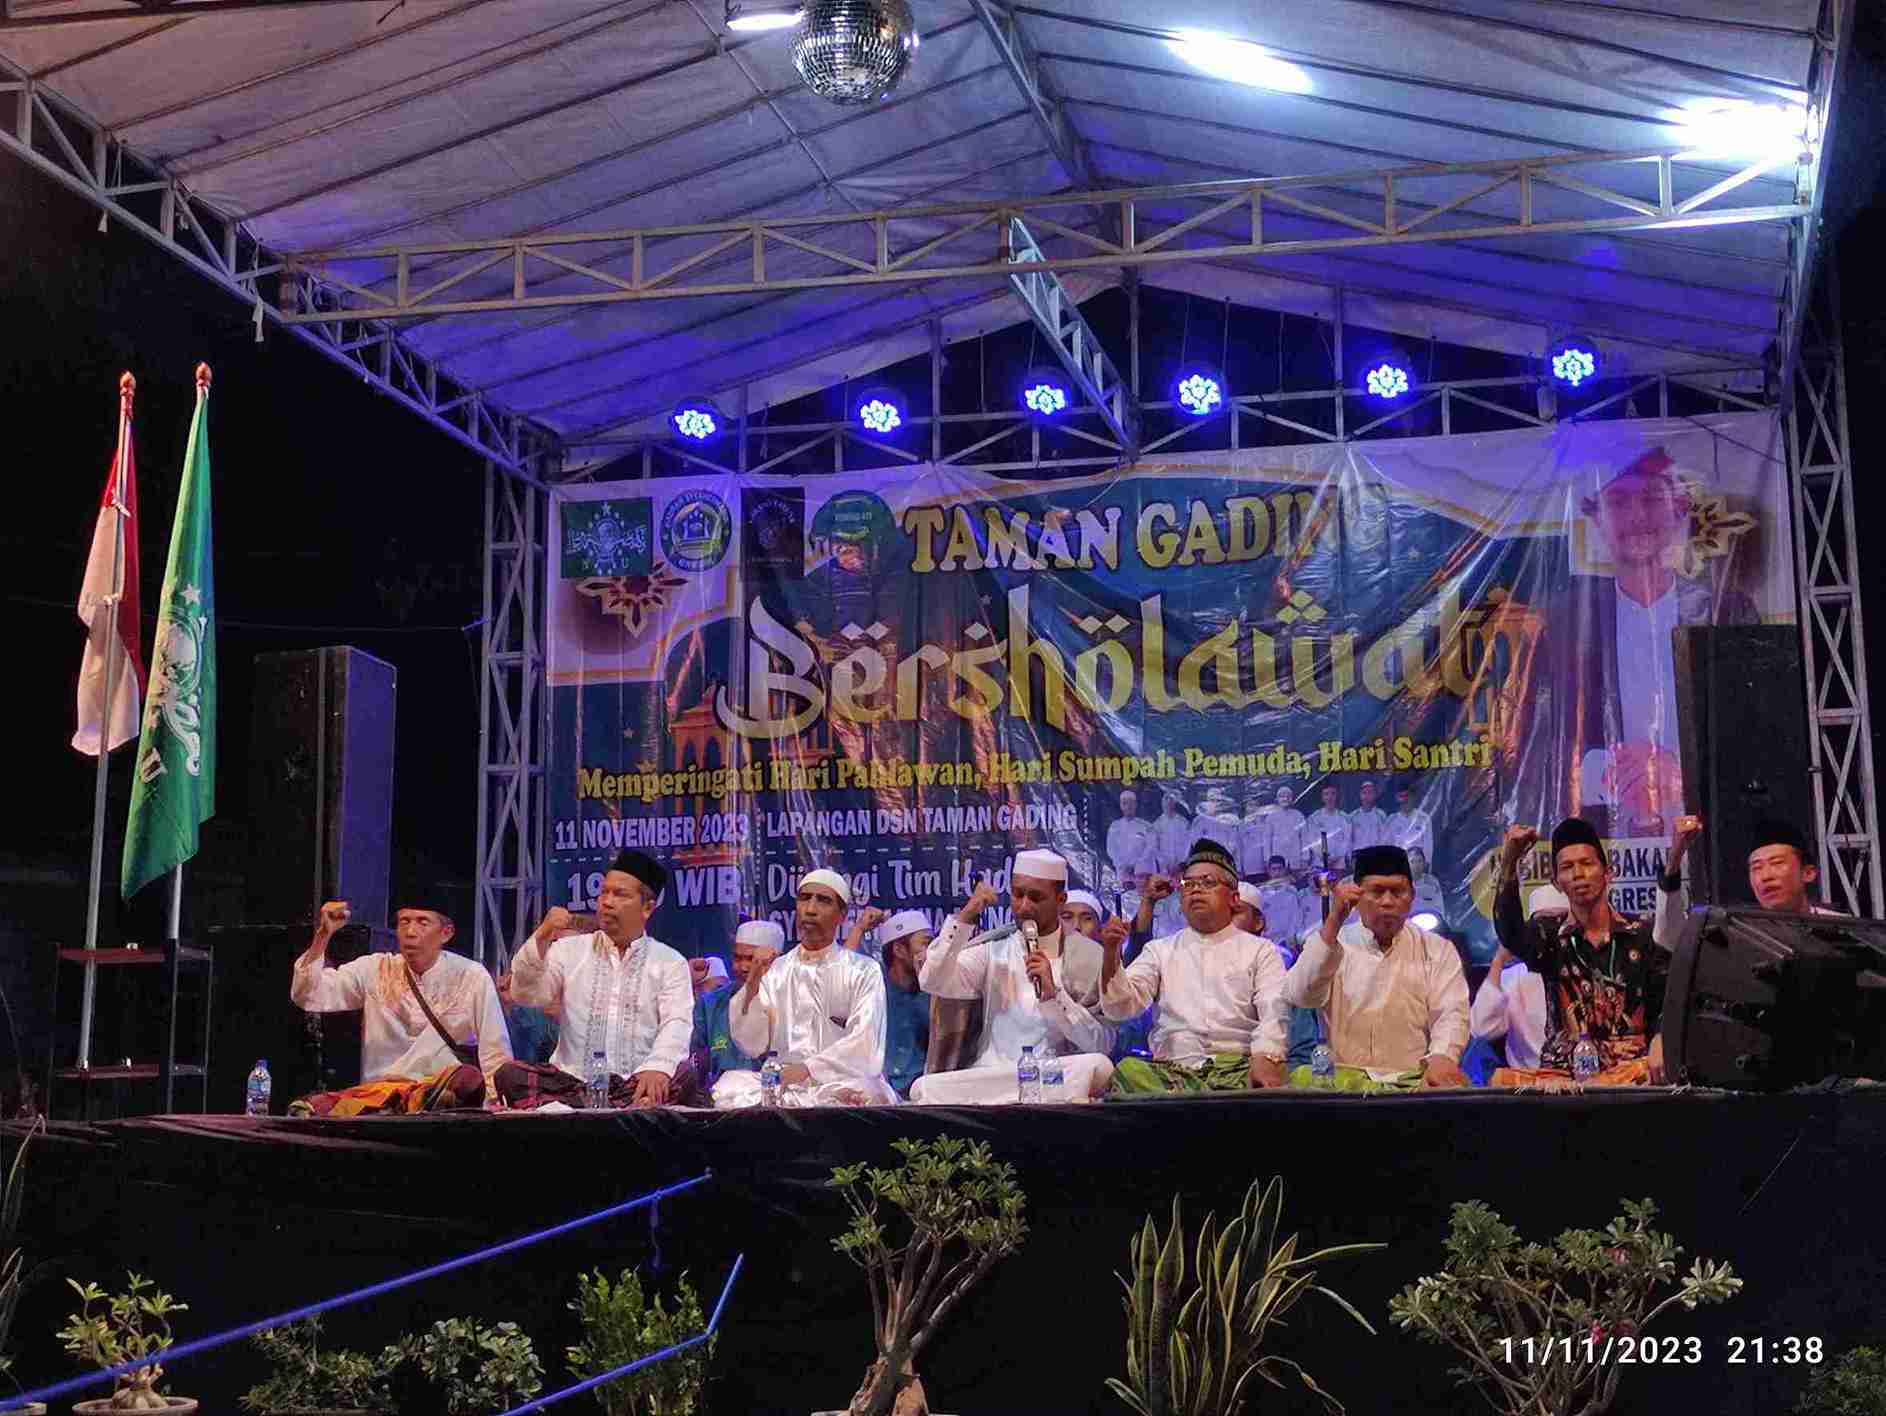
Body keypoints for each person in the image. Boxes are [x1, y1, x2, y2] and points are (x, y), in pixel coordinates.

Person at [1543, 448, 1757, 834]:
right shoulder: (1567, 623)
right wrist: (1620, 771)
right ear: (1596, 518)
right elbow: (1539, 744)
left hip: (1714, 829)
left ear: (1679, 511)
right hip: (1603, 842)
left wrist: (1681, 767)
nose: (1638, 517)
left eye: (1653, 500)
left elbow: (1756, 731)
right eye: (1619, 502)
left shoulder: (1725, 610)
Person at [911, 850, 1115, 1104]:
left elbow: (1101, 1044)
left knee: (1100, 1065)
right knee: (924, 1088)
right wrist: (966, 917)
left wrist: (1056, 997)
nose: (1024, 906)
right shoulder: (993, 951)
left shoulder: (1090, 956)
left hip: (1053, 1076)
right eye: (1017, 895)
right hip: (994, 1075)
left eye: (1035, 897)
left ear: (1060, 899)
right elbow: (932, 980)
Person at [288, 890, 510, 1116]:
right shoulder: (375, 969)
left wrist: (498, 1105)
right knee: (309, 1108)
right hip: (382, 1097)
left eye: (423, 922)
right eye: (404, 922)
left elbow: (495, 1050)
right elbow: (308, 995)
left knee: (466, 1079)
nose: (410, 931)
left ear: (446, 933)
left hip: (442, 1097)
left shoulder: (471, 975)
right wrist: (323, 935)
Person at [501, 849, 695, 1108]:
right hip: (572, 1082)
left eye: (620, 894)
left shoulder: (670, 962)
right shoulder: (569, 950)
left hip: (636, 1081)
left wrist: (659, 1066)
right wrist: (542, 936)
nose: (607, 901)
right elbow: (527, 994)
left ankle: (626, 1102)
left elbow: (677, 1023)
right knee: (509, 1075)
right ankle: (618, 1108)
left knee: (684, 1075)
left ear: (647, 907)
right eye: (604, 892)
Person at [1100, 839, 1288, 1094]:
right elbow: (1120, 1007)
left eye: (1208, 883)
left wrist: (1267, 1055)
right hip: (1172, 1072)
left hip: (1237, 1067)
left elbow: (1273, 1009)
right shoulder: (1160, 950)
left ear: (1233, 898)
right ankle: (1206, 1096)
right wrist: (1111, 954)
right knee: (1129, 1071)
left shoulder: (1261, 951)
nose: (1196, 890)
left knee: (1291, 1077)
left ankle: (1201, 1096)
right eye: (1188, 884)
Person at [1492, 819, 1669, 1088]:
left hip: (1629, 1073)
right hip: (1562, 1077)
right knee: (1498, 1081)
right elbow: (1510, 934)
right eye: (1567, 867)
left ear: (1607, 872)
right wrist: (1509, 863)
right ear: (1556, 882)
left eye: (1587, 864)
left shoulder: (1642, 932)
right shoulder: (1548, 932)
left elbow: (1665, 1000)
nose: (1578, 873)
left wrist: (1661, 1038)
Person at [1280, 844, 1470, 1089]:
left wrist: (1443, 1057)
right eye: (1377, 892)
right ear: (1357, 897)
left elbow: (1451, 1013)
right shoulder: (1334, 943)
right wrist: (1333, 923)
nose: (1388, 901)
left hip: (1412, 1087)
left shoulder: (1437, 950)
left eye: (1397, 892)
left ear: (1412, 897)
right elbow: (1300, 995)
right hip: (1344, 1087)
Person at [719, 869, 895, 1107]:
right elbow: (752, 1044)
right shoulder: (776, 970)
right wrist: (752, 982)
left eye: (823, 901)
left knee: (868, 1092)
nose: (810, 909)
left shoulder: (863, 970)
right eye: (804, 898)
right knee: (729, 1086)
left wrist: (808, 1069)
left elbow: (865, 1044)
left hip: (838, 1080)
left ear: (842, 915)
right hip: (781, 1079)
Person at [1654, 815, 1840, 948]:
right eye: (1756, 868)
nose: (1766, 876)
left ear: (1808, 873)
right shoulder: (1738, 932)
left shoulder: (1840, 929)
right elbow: (1670, 937)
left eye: (1777, 863)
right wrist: (1674, 860)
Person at [689, 920, 779, 1093]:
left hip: (774, 1103)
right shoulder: (710, 1005)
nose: (743, 967)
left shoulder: (791, 1003)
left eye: (752, 959)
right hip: (720, 1105)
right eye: (738, 958)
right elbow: (695, 1063)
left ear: (775, 961)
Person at [876, 909, 933, 1100]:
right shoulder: (873, 984)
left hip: (923, 1091)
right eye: (926, 943)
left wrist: (927, 983)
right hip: (878, 1089)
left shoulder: (937, 987)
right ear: (899, 950)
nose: (932, 951)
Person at [1258, 856, 1308, 957]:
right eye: (1274, 869)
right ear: (1268, 871)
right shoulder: (1260, 894)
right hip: (1267, 941)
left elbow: (1296, 918)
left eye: (1280, 869)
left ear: (1285, 870)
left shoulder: (1292, 893)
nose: (1277, 873)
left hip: (1287, 942)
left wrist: (1291, 940)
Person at [1105, 791, 1154, 895]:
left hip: (1141, 874)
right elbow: (1111, 849)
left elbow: (1150, 848)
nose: (1128, 806)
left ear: (1136, 804)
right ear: (1121, 806)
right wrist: (1123, 866)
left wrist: (1136, 865)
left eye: (1131, 802)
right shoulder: (1114, 827)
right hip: (1122, 874)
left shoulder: (1146, 826)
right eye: (1125, 803)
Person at [1304, 782, 1352, 868]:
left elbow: (1347, 840)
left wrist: (1335, 857)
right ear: (1322, 797)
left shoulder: (1345, 818)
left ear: (1337, 796)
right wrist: (1323, 856)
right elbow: (1311, 840)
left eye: (1333, 794)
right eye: (1326, 794)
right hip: (1319, 863)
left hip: (1339, 864)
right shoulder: (1314, 818)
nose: (1330, 797)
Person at [1387, 780, 1434, 862]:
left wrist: (1426, 863)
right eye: (1402, 797)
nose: (1406, 801)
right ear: (1398, 799)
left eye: (1408, 796)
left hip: (1417, 865)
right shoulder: (1391, 820)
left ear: (1413, 797)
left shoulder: (1424, 818)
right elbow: (1386, 846)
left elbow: (1428, 846)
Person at [1265, 786, 1307, 868]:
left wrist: (1305, 857)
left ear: (1292, 799)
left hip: (1296, 857)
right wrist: (1267, 858)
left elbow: (1304, 838)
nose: (1285, 799)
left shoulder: (1298, 815)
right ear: (1277, 799)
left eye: (1288, 796)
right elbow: (1267, 839)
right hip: (1277, 859)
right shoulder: (1271, 817)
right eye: (1282, 796)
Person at [1152, 791, 1192, 872]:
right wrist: (1164, 863)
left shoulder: (1183, 823)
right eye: (1166, 801)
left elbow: (1187, 844)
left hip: (1181, 867)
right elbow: (1154, 846)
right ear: (1162, 804)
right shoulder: (1156, 824)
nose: (1168, 804)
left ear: (1174, 803)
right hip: (1164, 868)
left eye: (1171, 801)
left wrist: (1181, 863)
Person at [1350, 779, 1391, 856]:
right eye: (1364, 793)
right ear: (1360, 795)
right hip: (1358, 858)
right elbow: (1349, 841)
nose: (1367, 796)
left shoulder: (1381, 815)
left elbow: (1386, 840)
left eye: (1370, 792)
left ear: (1375, 795)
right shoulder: (1352, 817)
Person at [1409, 847, 1446, 923]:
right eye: (1412, 861)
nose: (1416, 865)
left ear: (1424, 863)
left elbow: (1440, 907)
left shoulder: (1432, 881)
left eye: (1419, 861)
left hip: (1430, 922)